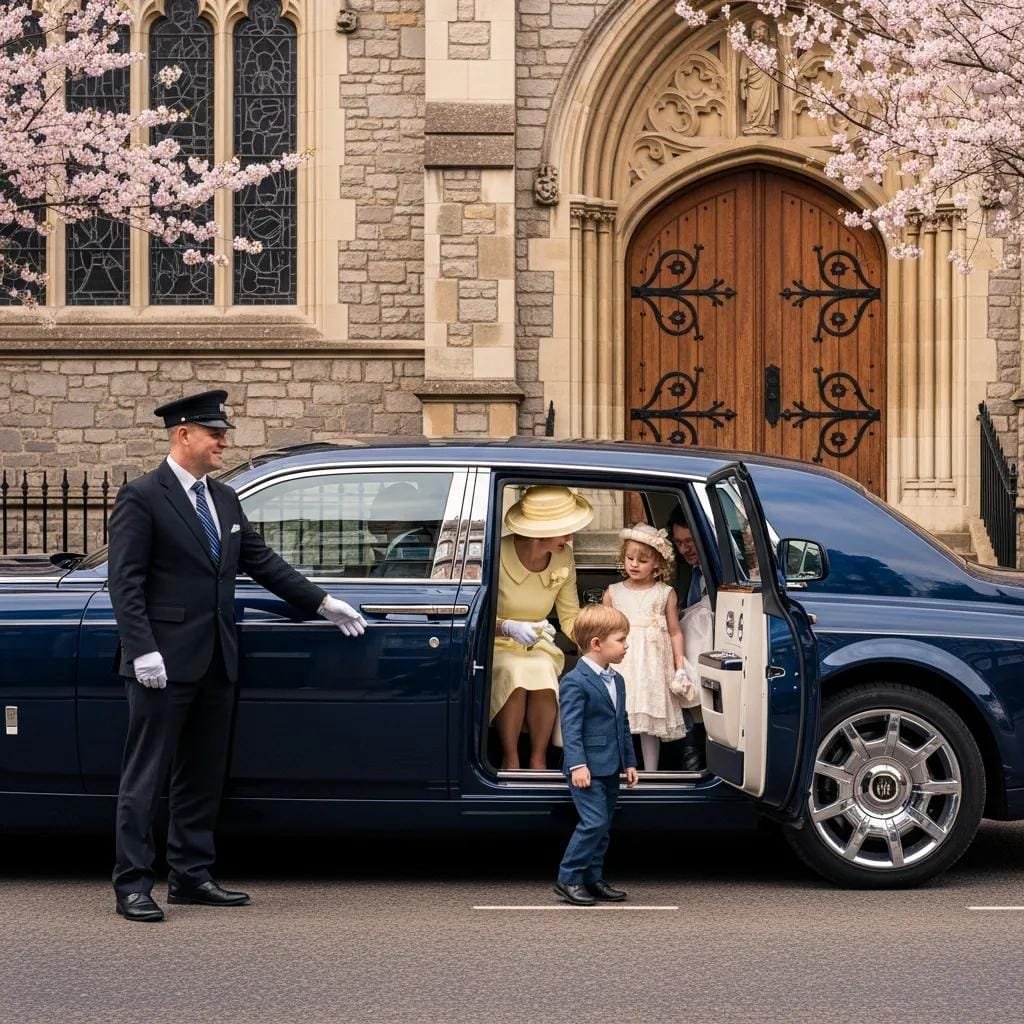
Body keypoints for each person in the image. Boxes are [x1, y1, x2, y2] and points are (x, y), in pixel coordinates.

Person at [107, 390, 367, 923]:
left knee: (202, 775)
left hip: (215, 661)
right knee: (146, 776)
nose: (224, 441)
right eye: (214, 433)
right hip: (161, 663)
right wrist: (143, 651)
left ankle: (190, 875)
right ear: (184, 435)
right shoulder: (143, 496)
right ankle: (133, 885)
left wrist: (321, 601)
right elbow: (124, 583)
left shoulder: (223, 499)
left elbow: (261, 560)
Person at [491, 485, 592, 770]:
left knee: (542, 668)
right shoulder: (496, 553)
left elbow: (571, 617)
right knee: (515, 669)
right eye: (564, 530)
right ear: (540, 532)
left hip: (539, 643)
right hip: (494, 643)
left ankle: (538, 757)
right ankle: (510, 757)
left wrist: (595, 643)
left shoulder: (564, 557)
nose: (570, 537)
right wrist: (507, 627)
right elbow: (477, 614)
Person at [554, 604, 639, 906]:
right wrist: (577, 764)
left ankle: (593, 878)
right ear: (597, 644)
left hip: (611, 765)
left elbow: (622, 722)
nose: (626, 645)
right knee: (593, 822)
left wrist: (629, 761)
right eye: (621, 639)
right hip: (586, 767)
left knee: (603, 827)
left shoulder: (616, 680)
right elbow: (571, 727)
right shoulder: (575, 682)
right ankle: (569, 878)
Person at [603, 524, 695, 771]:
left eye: (642, 560)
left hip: (653, 666)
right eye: (629, 558)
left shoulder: (665, 593)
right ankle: (617, 769)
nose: (634, 564)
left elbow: (675, 632)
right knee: (619, 717)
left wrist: (680, 667)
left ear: (657, 563)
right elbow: (603, 631)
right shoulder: (613, 593)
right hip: (623, 663)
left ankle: (650, 773)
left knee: (649, 721)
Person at [668, 507, 710, 771]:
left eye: (689, 541)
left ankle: (692, 758)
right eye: (679, 543)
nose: (684, 549)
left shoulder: (714, 571)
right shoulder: (692, 572)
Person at [367, 481, 437, 578]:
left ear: (402, 516)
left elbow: (389, 590)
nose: (370, 520)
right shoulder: (406, 544)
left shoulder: (410, 550)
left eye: (376, 513)